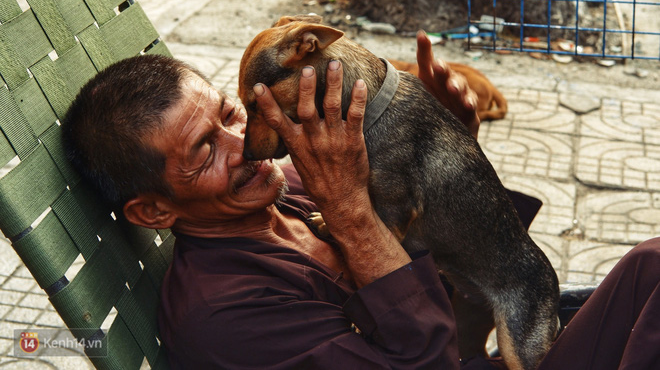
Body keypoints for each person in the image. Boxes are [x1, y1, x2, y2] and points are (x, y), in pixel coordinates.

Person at [61, 32, 660, 370]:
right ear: (152, 212)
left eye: (229, 115)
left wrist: (440, 151)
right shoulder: (224, 317)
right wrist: (350, 211)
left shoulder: (297, 192)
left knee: (650, 267)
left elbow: (460, 257)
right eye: (204, 150)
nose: (245, 146)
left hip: (482, 345)